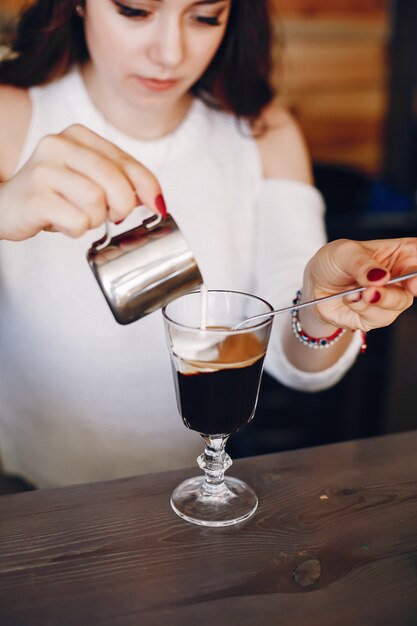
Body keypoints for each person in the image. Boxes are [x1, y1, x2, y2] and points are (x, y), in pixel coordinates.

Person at [0, 0, 416, 488]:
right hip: (24, 495)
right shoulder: (12, 117)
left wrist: (322, 307)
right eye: (135, 11)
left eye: (204, 17)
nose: (169, 53)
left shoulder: (264, 134)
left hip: (189, 490)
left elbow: (297, 362)